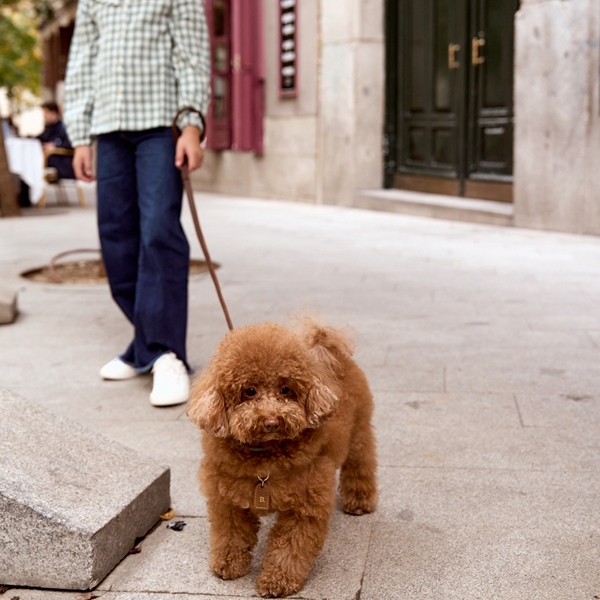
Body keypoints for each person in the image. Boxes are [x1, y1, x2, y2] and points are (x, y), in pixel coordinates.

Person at [63, 0, 210, 407]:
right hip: (108, 130)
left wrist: (192, 126)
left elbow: (193, 57)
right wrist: (79, 135)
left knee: (159, 230)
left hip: (160, 127)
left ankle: (165, 354)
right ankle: (144, 346)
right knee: (116, 236)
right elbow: (81, 65)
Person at [37, 101, 76, 180]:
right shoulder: (49, 128)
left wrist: (55, 146)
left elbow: (69, 144)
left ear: (54, 113)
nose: (44, 116)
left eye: (46, 113)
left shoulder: (64, 128)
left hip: (62, 164)